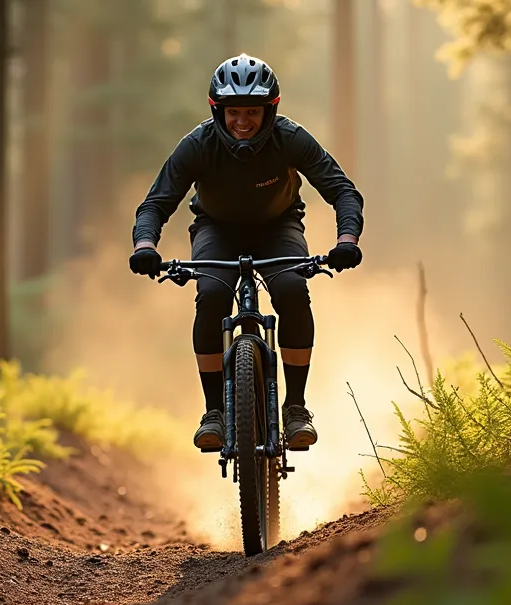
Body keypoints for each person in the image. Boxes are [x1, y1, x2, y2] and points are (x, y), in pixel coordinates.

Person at [128, 53, 365, 451]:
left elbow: (342, 190)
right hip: (215, 230)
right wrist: (145, 245)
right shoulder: (197, 145)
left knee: (291, 288)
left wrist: (347, 241)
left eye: (252, 111)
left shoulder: (290, 138)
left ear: (269, 110)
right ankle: (214, 413)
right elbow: (155, 204)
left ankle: (295, 408)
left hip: (279, 227)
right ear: (217, 111)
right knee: (213, 295)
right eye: (233, 112)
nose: (242, 121)